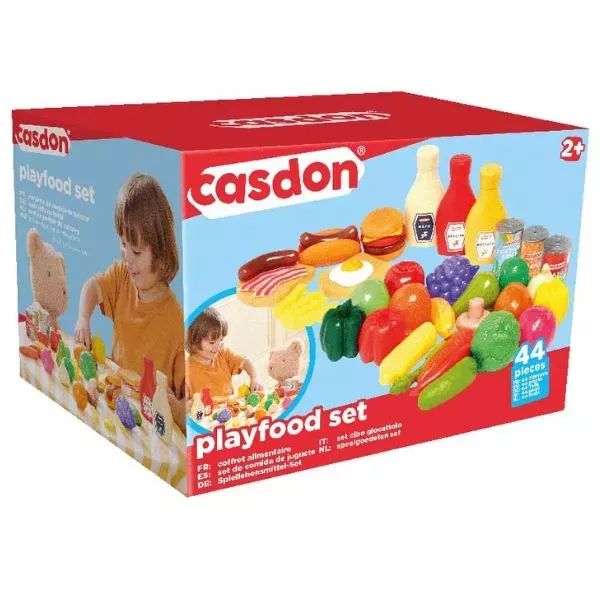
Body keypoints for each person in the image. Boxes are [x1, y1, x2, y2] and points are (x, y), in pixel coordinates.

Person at [74, 173, 186, 431]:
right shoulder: (122, 276)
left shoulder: (176, 321)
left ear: (161, 253)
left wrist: (178, 409)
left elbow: (188, 399)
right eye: (123, 244)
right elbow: (92, 286)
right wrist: (83, 318)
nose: (127, 257)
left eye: (136, 251)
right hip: (115, 404)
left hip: (150, 426)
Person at [186, 307, 261, 398]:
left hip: (230, 406)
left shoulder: (223, 354)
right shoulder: (185, 370)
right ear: (194, 340)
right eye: (212, 342)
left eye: (221, 340)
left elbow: (245, 361)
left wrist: (254, 377)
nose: (218, 346)